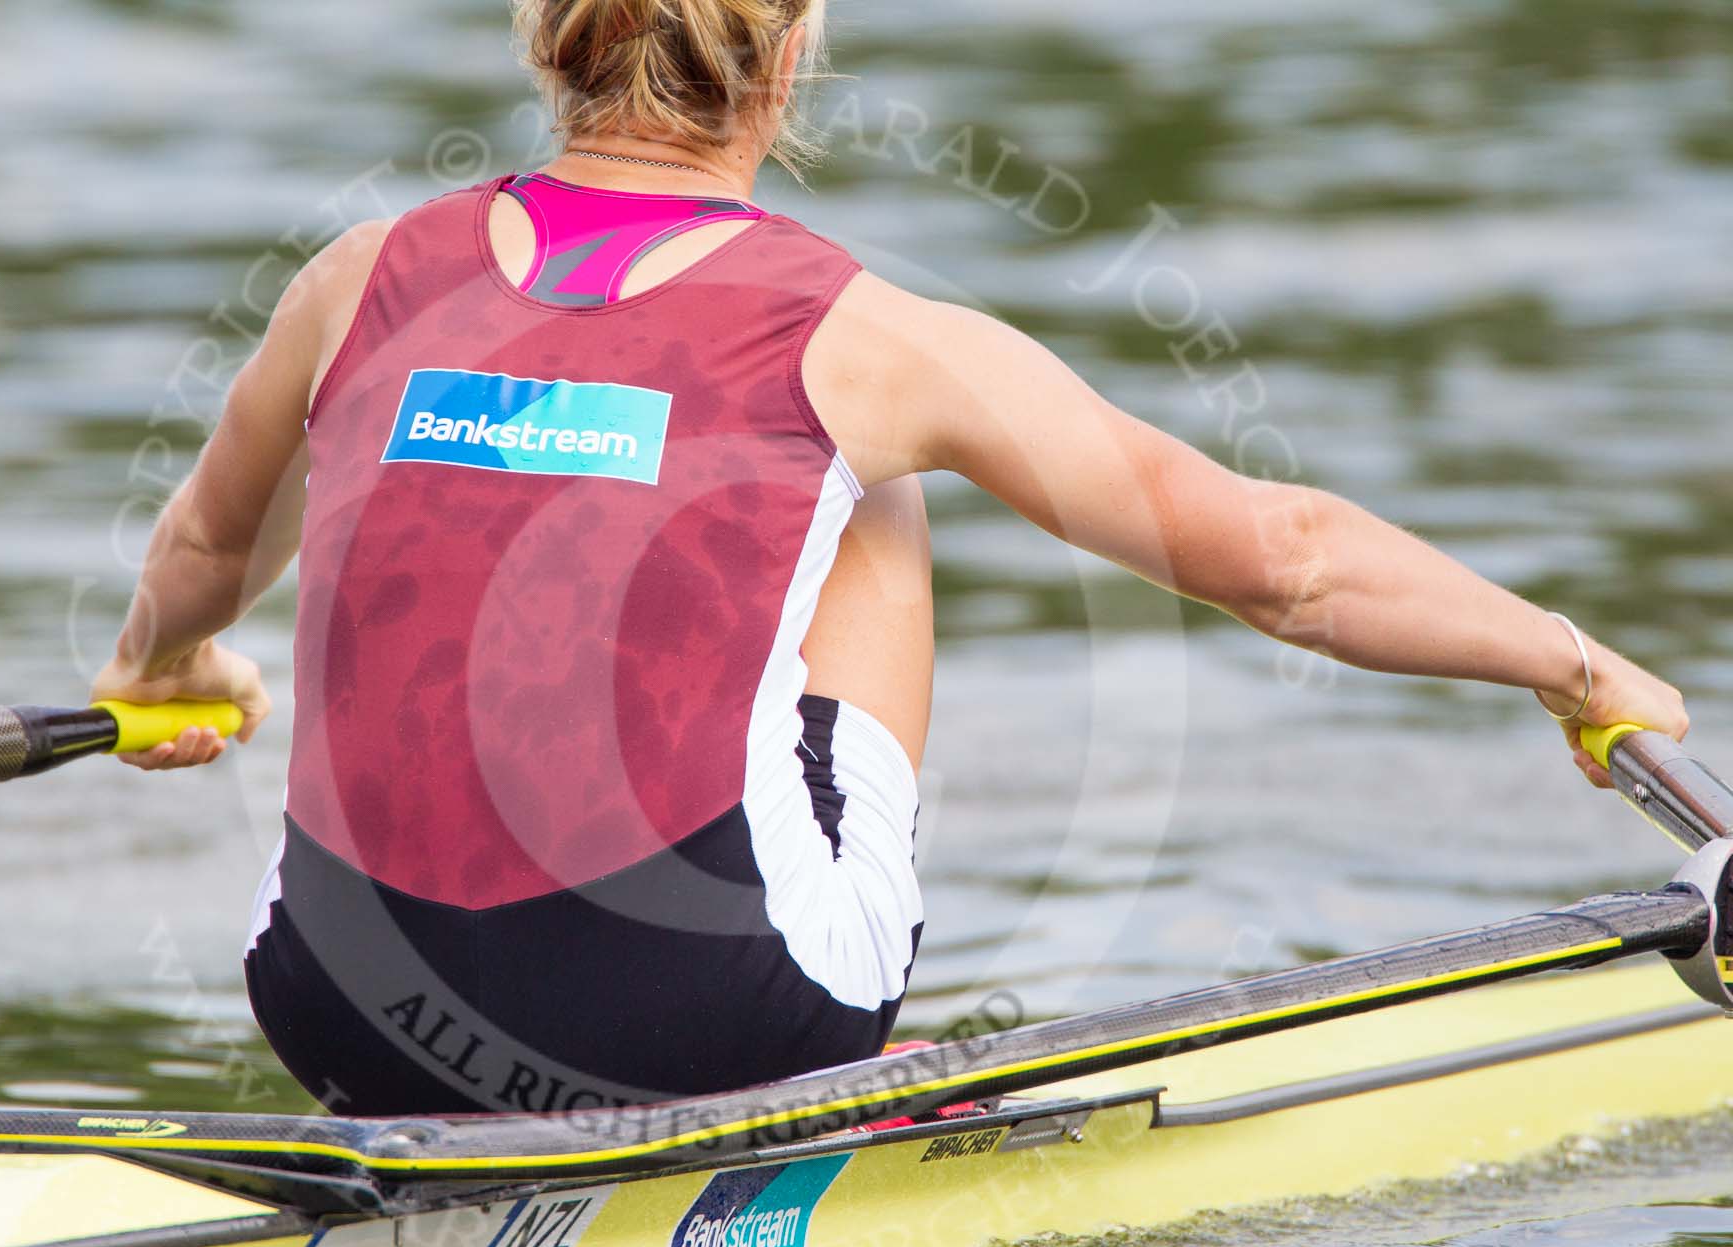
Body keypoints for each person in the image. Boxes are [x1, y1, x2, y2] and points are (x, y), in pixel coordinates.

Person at [93, 0, 1688, 1117]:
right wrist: (1575, 661)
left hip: (335, 1008)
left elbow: (215, 540)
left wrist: (160, 670)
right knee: (867, 491)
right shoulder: (858, 339)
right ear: (787, 70)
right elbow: (1285, 564)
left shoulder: (359, 275)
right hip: (698, 1028)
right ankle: (777, 1041)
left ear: (550, 49)